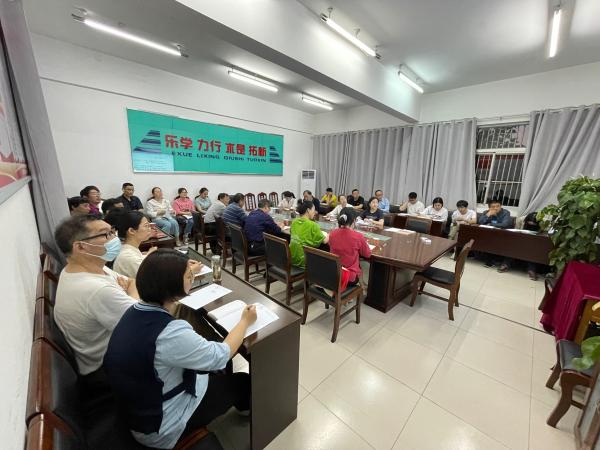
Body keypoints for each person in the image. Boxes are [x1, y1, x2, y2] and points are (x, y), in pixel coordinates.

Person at [103, 250, 255, 449]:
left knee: (216, 365)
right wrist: (244, 321)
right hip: (161, 425)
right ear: (171, 286)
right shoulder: (169, 332)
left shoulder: (133, 311)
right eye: (189, 275)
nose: (192, 278)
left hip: (140, 406)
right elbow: (220, 355)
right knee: (242, 381)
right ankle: (245, 409)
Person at [53, 215, 138, 383]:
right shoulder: (95, 289)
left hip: (117, 349)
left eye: (112, 231)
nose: (114, 239)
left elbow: (133, 281)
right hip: (109, 369)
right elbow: (144, 320)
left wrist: (130, 294)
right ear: (81, 247)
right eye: (106, 234)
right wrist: (130, 295)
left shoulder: (90, 269)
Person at [106, 210, 157, 278]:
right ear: (131, 231)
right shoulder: (128, 257)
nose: (149, 229)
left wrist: (147, 254)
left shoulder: (127, 248)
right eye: (146, 226)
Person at [328, 207, 371, 286]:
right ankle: (362, 286)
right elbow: (367, 254)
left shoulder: (332, 233)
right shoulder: (358, 236)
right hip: (348, 277)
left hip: (333, 273)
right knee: (361, 265)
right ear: (354, 221)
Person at [290, 201, 328, 267]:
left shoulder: (294, 222)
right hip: (304, 262)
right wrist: (329, 234)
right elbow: (325, 241)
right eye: (313, 210)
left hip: (291, 259)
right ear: (308, 210)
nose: (315, 212)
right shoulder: (313, 225)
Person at [478, 199, 513, 268]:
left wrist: (490, 224)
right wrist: (488, 215)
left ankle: (493, 261)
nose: (496, 208)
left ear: (501, 206)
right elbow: (480, 222)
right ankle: (489, 260)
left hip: (504, 234)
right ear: (489, 208)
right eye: (493, 207)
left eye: (498, 206)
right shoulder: (486, 212)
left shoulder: (505, 212)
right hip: (490, 234)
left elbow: (505, 224)